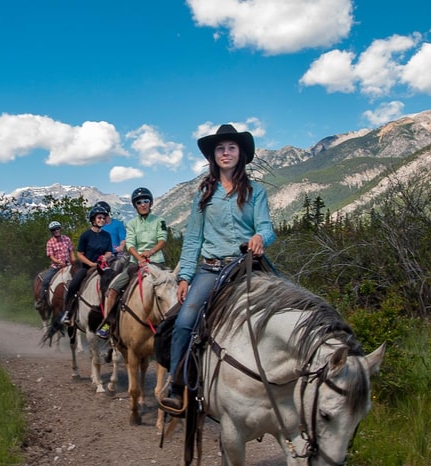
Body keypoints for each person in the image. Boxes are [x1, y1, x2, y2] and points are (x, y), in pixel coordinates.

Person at [160, 124, 276, 413]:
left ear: (241, 153)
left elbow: (266, 228)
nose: (226, 153)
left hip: (248, 265)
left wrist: (261, 237)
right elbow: (193, 240)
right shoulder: (203, 194)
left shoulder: (256, 192)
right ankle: (176, 384)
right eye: (220, 148)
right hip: (211, 270)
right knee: (186, 318)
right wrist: (185, 276)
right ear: (214, 156)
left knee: (285, 309)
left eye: (231, 148)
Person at [96, 187, 167, 338]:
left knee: (174, 287)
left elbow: (162, 240)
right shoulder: (132, 224)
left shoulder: (159, 221)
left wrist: (150, 252)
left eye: (146, 201)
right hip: (135, 264)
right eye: (139, 202)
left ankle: (176, 326)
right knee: (113, 289)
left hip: (157, 263)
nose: (143, 204)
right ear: (135, 205)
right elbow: (130, 244)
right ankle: (109, 324)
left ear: (151, 202)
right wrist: (140, 258)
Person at [60, 202, 115, 325]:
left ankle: (112, 314)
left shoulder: (107, 235)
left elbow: (109, 252)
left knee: (115, 284)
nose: (102, 220)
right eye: (99, 218)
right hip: (86, 267)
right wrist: (91, 264)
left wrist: (105, 258)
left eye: (103, 218)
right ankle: (68, 312)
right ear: (93, 220)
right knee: (73, 284)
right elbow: (79, 254)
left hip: (103, 267)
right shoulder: (85, 235)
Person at [39, 220, 73, 306]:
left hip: (68, 265)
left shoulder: (67, 239)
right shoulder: (50, 242)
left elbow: (71, 252)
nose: (56, 231)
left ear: (60, 229)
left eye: (57, 228)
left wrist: (74, 263)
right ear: (51, 231)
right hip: (56, 267)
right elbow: (51, 256)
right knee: (45, 281)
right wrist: (59, 262)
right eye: (54, 229)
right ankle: (42, 300)